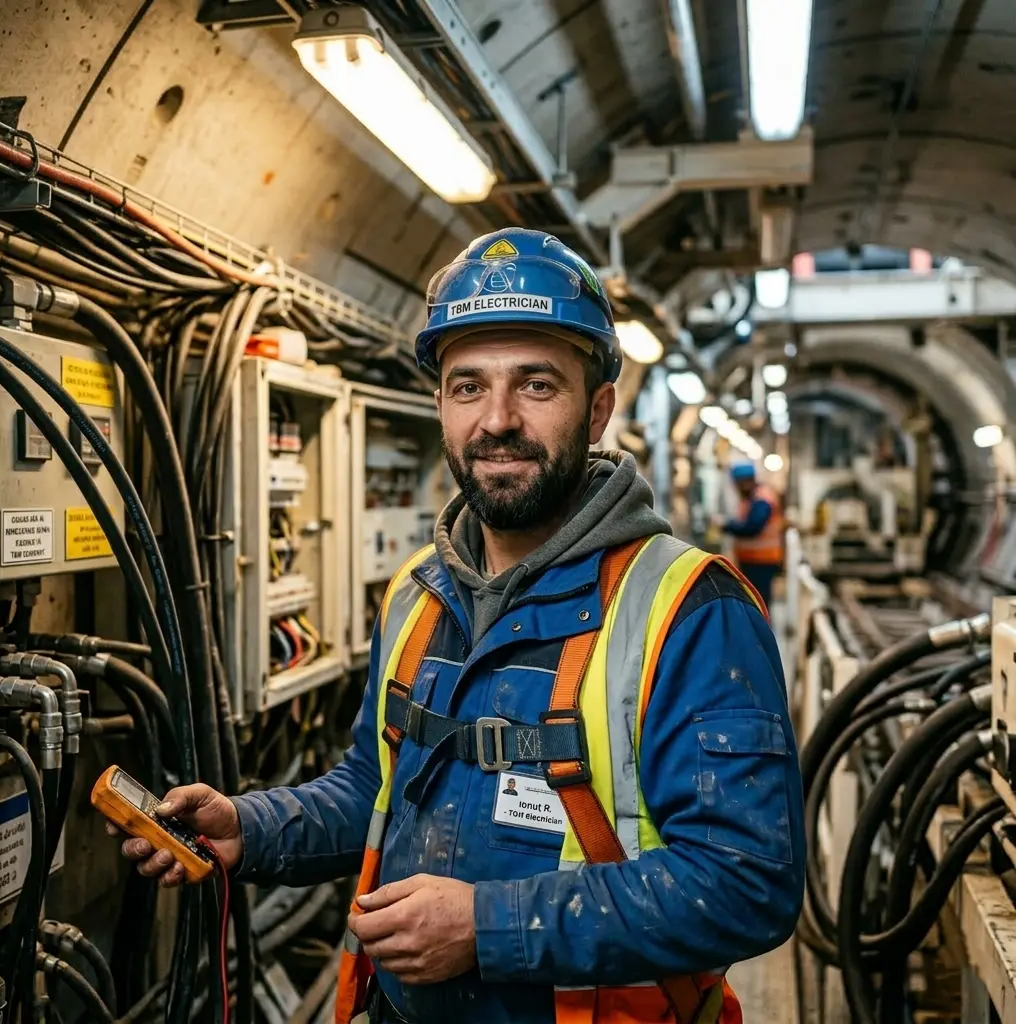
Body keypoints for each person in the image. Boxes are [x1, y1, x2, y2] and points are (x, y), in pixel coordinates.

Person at [105, 228, 804, 1024]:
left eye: (537, 385)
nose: (496, 419)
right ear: (441, 404)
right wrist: (250, 828)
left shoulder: (686, 611)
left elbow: (746, 885)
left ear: (599, 408)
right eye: (467, 386)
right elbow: (375, 788)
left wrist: (484, 928)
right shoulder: (419, 594)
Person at [719, 462, 784, 609]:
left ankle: (761, 630)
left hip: (762, 561)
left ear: (746, 482)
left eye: (738, 484)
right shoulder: (751, 499)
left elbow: (752, 528)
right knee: (753, 601)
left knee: (759, 603)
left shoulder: (762, 499)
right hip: (753, 560)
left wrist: (725, 525)